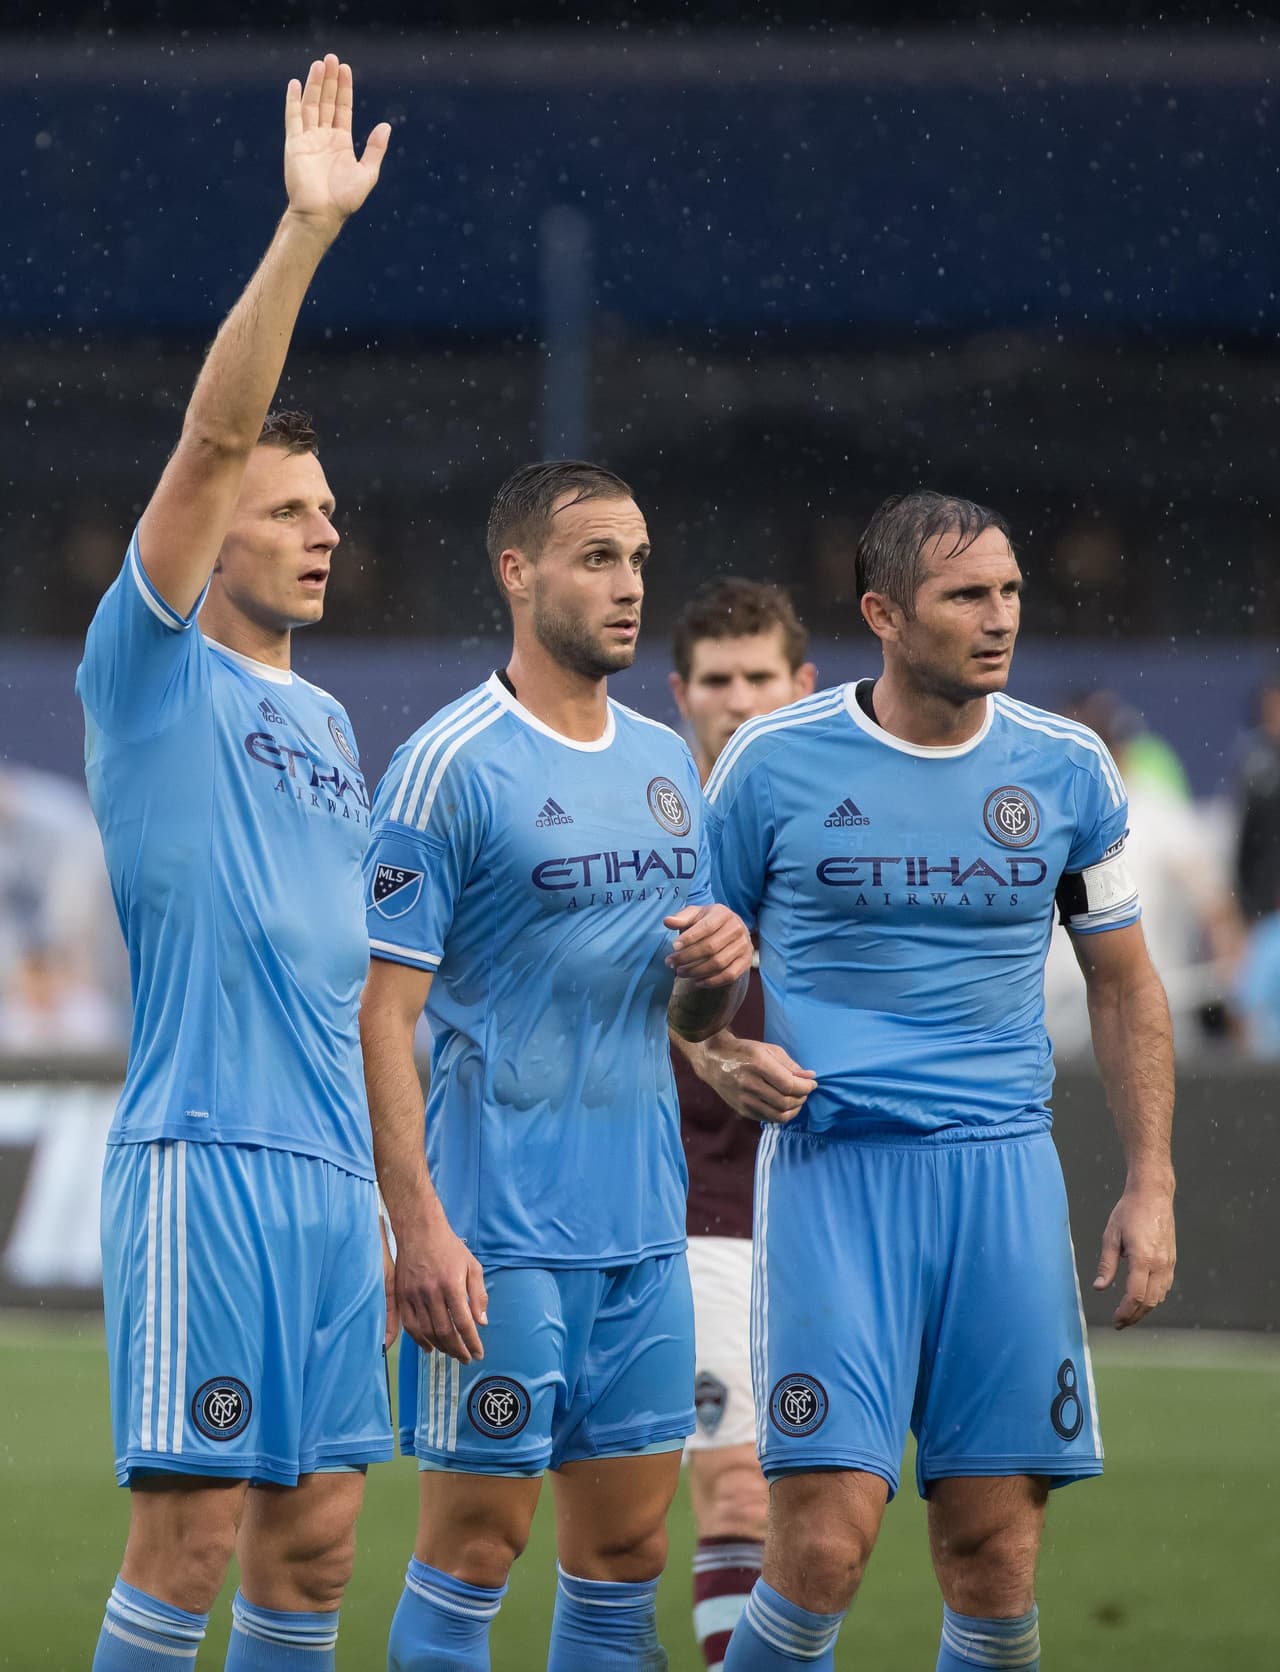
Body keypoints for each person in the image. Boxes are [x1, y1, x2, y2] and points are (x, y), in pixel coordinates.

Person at [687, 492, 1176, 1672]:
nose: (998, 616)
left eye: (1007, 590)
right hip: (831, 1180)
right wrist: (713, 1043)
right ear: (882, 614)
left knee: (992, 1552)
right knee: (820, 1544)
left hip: (999, 1179)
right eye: (965, 594)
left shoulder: (1065, 767)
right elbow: (692, 968)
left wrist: (1149, 1177)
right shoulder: (770, 760)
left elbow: (1121, 985)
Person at [75, 57, 393, 1672]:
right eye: (287, 509)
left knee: (317, 1546)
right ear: (224, 534)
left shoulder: (333, 724)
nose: (322, 529)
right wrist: (305, 234)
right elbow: (206, 439)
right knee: (189, 1537)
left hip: (340, 1189)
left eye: (328, 506)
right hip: (207, 1161)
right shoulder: (150, 672)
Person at [359, 459, 753, 1672]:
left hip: (643, 1228)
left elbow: (681, 1009)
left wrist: (715, 968)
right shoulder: (448, 764)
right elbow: (380, 1017)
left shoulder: (665, 761)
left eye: (636, 557)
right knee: (476, 1550)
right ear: (517, 573)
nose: (629, 584)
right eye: (596, 557)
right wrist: (417, 1228)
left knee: (627, 1555)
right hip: (499, 1232)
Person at [666, 578, 817, 1672]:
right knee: (732, 1484)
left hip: (831, 1208)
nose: (737, 699)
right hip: (697, 1207)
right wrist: (708, 1049)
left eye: (758, 676)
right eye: (715, 680)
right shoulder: (654, 818)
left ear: (799, 685)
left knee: (824, 1517)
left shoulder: (836, 823)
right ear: (680, 696)